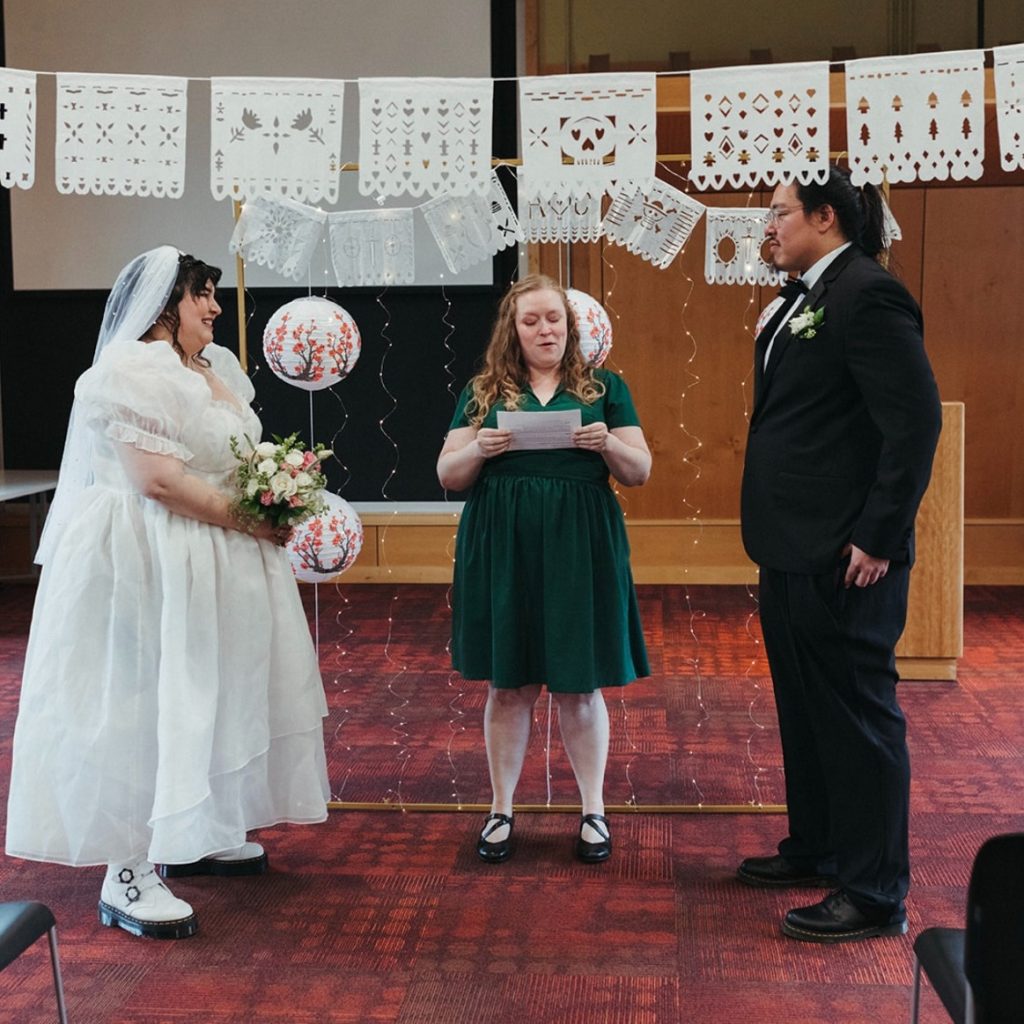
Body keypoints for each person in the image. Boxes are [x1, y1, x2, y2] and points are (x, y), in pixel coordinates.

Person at [5, 247, 330, 939]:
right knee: (141, 698)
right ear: (164, 305)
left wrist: (274, 494)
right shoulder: (129, 371)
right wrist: (250, 517)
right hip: (143, 557)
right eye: (202, 295)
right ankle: (126, 872)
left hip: (211, 555)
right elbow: (157, 480)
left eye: (213, 293)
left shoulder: (213, 370)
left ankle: (196, 829)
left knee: (208, 688)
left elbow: (230, 457)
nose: (214, 307)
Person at [737, 167, 942, 942]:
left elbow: (915, 424)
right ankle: (819, 845)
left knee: (858, 717)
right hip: (792, 546)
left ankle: (875, 891)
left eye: (779, 213)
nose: (769, 226)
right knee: (806, 706)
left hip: (847, 554)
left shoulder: (868, 293)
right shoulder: (804, 299)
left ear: (825, 218)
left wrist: (879, 537)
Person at [437, 274, 651, 864]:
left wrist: (607, 442)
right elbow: (447, 474)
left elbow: (639, 471)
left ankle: (593, 812)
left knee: (579, 684)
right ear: (514, 329)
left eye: (552, 319)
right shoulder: (484, 390)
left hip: (580, 544)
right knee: (510, 683)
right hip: (504, 544)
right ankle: (502, 808)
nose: (544, 329)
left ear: (569, 325)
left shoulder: (606, 386)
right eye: (530, 321)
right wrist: (478, 448)